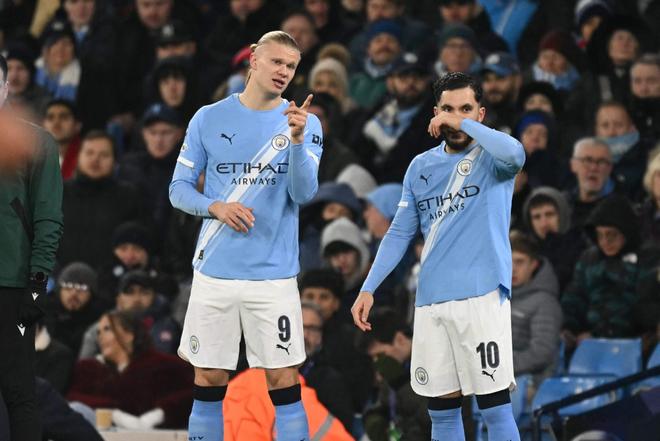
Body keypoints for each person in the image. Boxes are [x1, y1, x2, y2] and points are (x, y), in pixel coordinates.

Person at [351, 72, 525, 440]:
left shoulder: (493, 159)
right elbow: (399, 233)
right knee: (442, 414)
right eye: (448, 109)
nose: (455, 117)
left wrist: (463, 124)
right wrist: (369, 287)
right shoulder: (420, 167)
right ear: (435, 113)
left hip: (481, 296)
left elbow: (516, 153)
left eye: (465, 109)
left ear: (480, 114)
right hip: (430, 301)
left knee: (494, 408)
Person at [169, 31, 323, 441]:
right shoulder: (208, 118)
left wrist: (296, 142)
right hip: (214, 272)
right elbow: (178, 189)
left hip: (273, 275)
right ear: (254, 59)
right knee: (208, 377)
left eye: (291, 66)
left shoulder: (305, 123)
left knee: (284, 379)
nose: (284, 72)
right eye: (276, 61)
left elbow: (303, 193)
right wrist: (215, 207)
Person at [0, 54, 64, 441]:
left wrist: (38, 282)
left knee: (19, 391)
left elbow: (48, 218)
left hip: (12, 287)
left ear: (7, 87)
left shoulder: (36, 142)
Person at [67, 310, 193, 429]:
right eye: (98, 332)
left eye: (107, 329)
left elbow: (191, 393)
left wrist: (159, 414)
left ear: (129, 335)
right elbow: (74, 398)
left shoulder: (164, 364)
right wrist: (114, 413)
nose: (100, 337)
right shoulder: (91, 368)